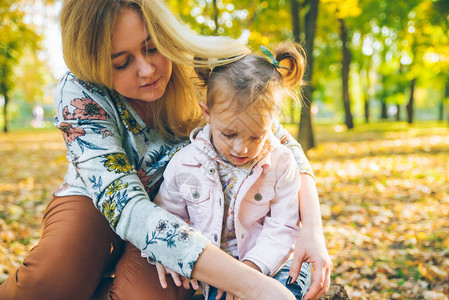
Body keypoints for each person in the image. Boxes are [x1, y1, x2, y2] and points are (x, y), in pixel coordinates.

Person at [0, 0, 331, 299]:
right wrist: (253, 285)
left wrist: (312, 231)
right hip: (99, 202)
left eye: (152, 48)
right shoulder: (78, 92)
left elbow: (276, 138)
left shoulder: (204, 66)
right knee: (51, 280)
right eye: (121, 62)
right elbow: (126, 206)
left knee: (145, 295)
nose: (147, 70)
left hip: (182, 210)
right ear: (94, 62)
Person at [152, 43, 314, 300]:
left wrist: (252, 270)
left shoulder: (281, 163)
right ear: (207, 113)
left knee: (285, 288)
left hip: (274, 264)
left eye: (256, 136)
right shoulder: (185, 164)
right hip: (216, 269)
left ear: (272, 122)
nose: (242, 148)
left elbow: (283, 225)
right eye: (229, 134)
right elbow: (167, 214)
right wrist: (171, 252)